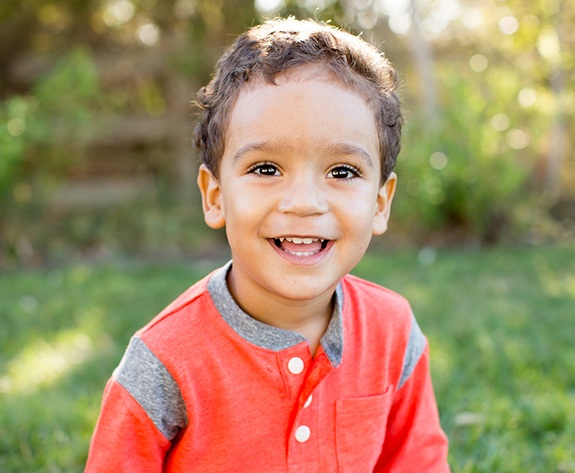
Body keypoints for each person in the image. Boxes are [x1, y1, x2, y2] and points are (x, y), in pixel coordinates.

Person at [85, 17, 450, 472]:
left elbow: (417, 462)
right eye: (265, 168)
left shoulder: (394, 332)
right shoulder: (164, 362)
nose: (304, 203)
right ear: (215, 196)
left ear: (380, 203)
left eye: (342, 172)